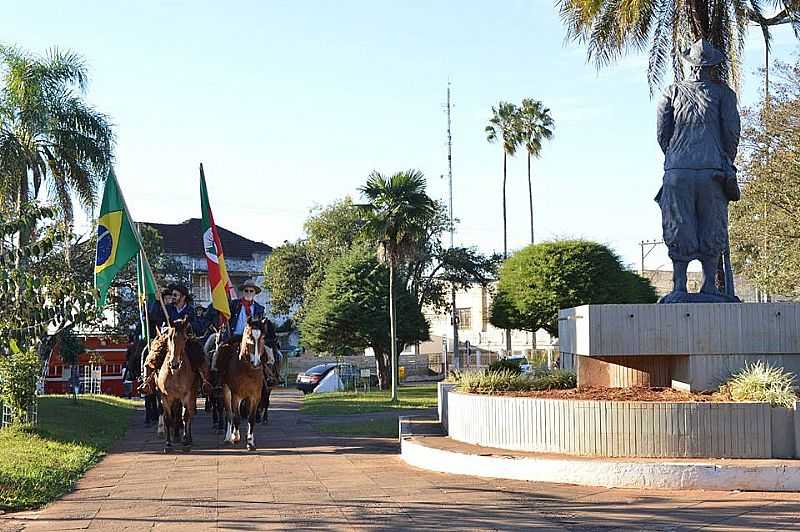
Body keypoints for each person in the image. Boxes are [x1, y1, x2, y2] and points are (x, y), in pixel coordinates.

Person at [655, 39, 741, 302]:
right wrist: (725, 160)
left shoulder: (670, 92)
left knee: (679, 224)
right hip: (711, 169)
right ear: (712, 67)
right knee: (712, 223)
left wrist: (675, 157)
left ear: (688, 64)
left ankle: (679, 285)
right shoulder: (724, 94)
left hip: (678, 170)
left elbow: (662, 132)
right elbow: (731, 132)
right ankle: (709, 287)